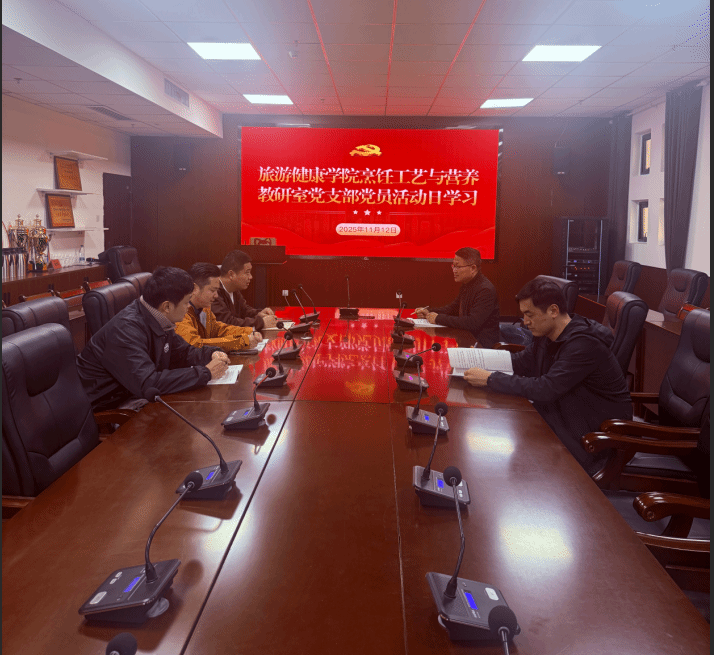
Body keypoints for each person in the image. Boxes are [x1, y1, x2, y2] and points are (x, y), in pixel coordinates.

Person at [463, 278, 632, 473]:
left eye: (530, 314)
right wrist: (480, 358)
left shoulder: (583, 344)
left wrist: (490, 379)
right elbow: (520, 362)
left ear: (553, 311)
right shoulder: (548, 334)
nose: (525, 322)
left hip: (594, 439)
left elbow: (546, 388)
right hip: (564, 418)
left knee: (509, 458)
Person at [77, 266, 229, 411]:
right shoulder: (125, 331)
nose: (189, 307)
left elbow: (182, 353)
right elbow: (149, 383)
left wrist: (211, 353)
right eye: (185, 302)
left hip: (135, 397)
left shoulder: (158, 317)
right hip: (109, 408)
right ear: (167, 306)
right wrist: (206, 373)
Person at [415, 247, 500, 347]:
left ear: (473, 268)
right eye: (453, 266)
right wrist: (428, 311)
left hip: (482, 345)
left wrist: (438, 318)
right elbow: (452, 309)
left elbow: (472, 323)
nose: (454, 270)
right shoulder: (467, 284)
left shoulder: (485, 290)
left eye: (458, 267)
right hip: (467, 338)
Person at [177, 262, 263, 351]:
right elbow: (195, 344)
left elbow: (219, 330)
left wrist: (250, 331)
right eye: (212, 290)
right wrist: (241, 341)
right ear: (195, 288)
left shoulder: (204, 309)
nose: (216, 296)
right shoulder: (179, 313)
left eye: (217, 291)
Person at [212, 249, 278, 330]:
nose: (250, 277)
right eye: (247, 272)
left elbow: (244, 311)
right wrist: (261, 322)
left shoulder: (234, 288)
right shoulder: (213, 291)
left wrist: (259, 313)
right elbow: (227, 322)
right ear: (231, 274)